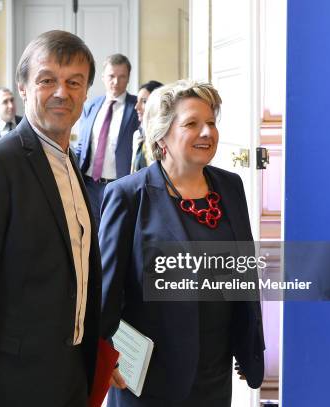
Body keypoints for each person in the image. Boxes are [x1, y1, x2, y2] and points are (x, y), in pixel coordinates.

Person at [0, 30, 102, 406]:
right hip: (13, 386)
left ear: (86, 93)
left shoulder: (70, 162)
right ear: (24, 88)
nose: (62, 92)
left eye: (74, 82)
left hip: (71, 376)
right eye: (47, 80)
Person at [99, 80, 265, 406]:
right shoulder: (129, 195)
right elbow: (107, 289)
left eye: (212, 123)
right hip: (149, 376)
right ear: (162, 135)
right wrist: (103, 355)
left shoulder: (230, 187)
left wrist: (249, 343)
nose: (207, 132)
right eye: (192, 123)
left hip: (214, 372)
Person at [76, 54, 140, 224]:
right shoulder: (90, 106)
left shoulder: (137, 107)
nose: (116, 82)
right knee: (90, 232)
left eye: (122, 77)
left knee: (115, 232)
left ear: (128, 79)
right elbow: (82, 145)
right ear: (103, 77)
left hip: (119, 185)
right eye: (111, 76)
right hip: (88, 185)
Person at [130, 80, 163, 173]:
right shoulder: (137, 135)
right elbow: (133, 172)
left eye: (144, 101)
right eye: (137, 101)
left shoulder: (166, 137)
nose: (136, 107)